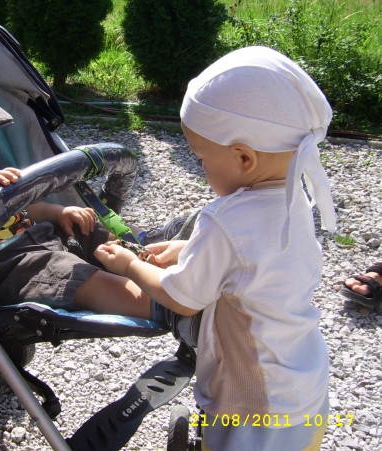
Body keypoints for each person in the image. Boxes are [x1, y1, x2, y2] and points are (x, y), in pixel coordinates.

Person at [94, 46, 336, 450]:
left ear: (243, 157)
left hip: (252, 407)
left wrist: (127, 266)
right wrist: (190, 247)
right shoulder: (295, 197)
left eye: (202, 159)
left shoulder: (225, 220)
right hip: (303, 389)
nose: (201, 168)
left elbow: (182, 297)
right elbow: (253, 260)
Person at [0, 75, 166, 321]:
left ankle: (160, 250)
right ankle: (160, 305)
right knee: (73, 275)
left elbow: (25, 203)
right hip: (6, 265)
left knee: (89, 229)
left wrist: (57, 213)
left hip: (40, 234)